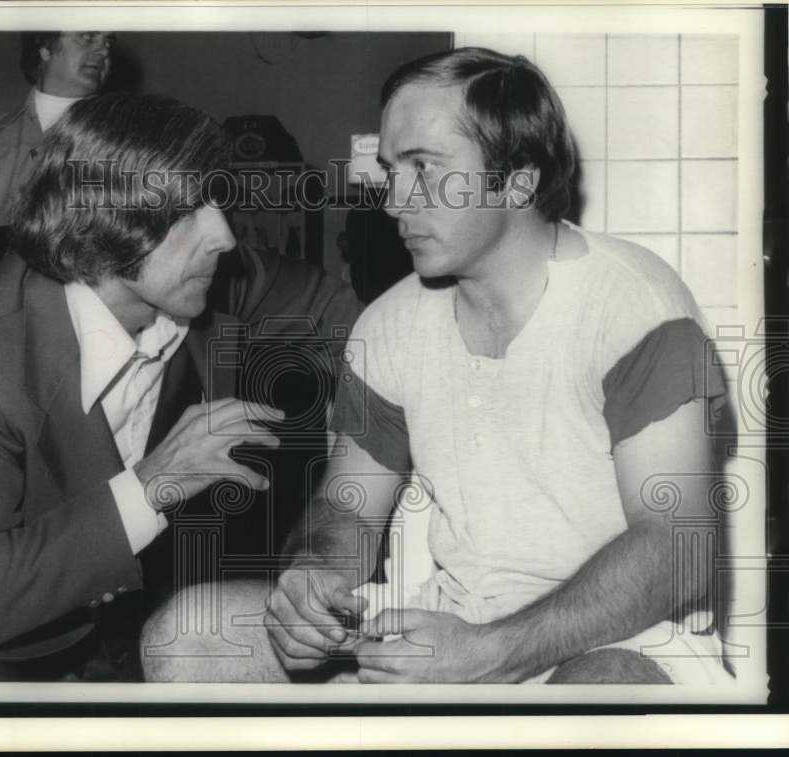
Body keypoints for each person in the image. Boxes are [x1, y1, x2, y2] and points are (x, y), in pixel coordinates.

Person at [141, 47, 732, 685]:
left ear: (518, 179)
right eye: (391, 168)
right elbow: (349, 508)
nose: (393, 200)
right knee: (186, 635)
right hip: (449, 625)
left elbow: (676, 548)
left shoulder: (634, 305)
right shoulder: (390, 324)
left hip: (618, 637)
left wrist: (493, 652)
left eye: (424, 167)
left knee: (599, 694)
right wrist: (314, 578)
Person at [0, 92, 361, 681]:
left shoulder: (214, 283)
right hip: (10, 663)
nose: (224, 235)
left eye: (218, 201)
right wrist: (153, 485)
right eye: (189, 208)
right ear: (106, 216)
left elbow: (358, 318)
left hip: (148, 638)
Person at [0, 31, 115, 245]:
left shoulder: (122, 138)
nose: (104, 50)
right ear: (45, 49)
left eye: (108, 41)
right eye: (87, 38)